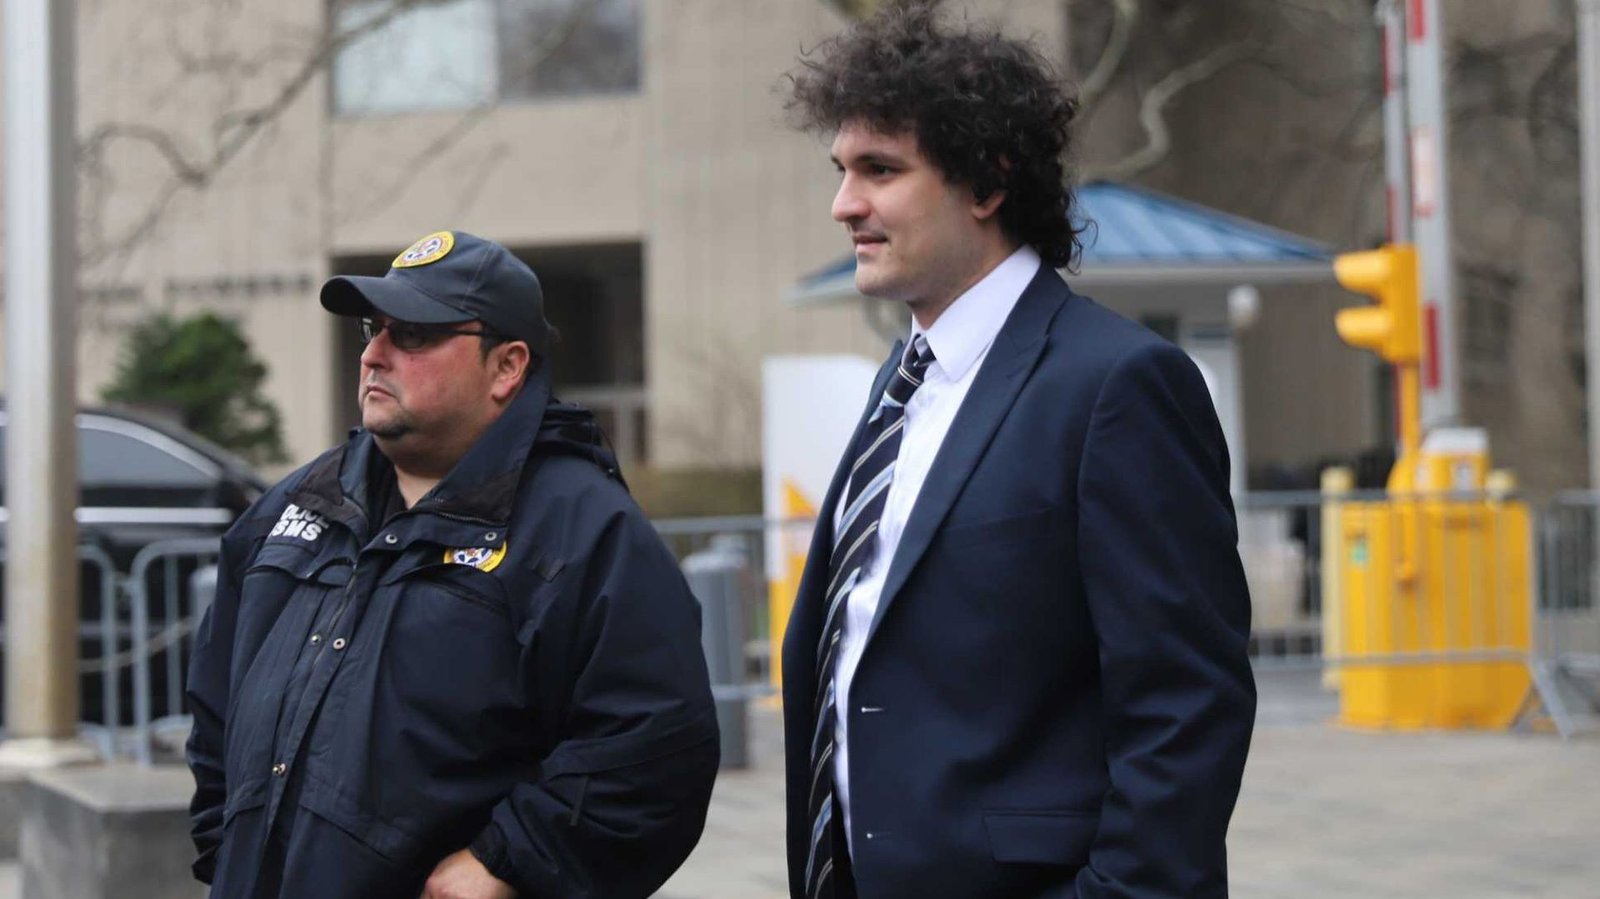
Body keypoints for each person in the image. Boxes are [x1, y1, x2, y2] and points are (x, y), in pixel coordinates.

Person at [779, 4, 1257, 898]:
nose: (845, 204)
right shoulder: (901, 382)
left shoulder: (1119, 385)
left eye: (880, 169)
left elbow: (1186, 706)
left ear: (987, 182)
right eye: (842, 171)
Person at [185, 230, 720, 899]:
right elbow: (216, 706)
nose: (374, 354)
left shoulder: (582, 531)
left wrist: (507, 861)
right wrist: (227, 849)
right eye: (374, 329)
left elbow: (656, 745)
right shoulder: (294, 507)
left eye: (413, 334)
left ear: (507, 367)